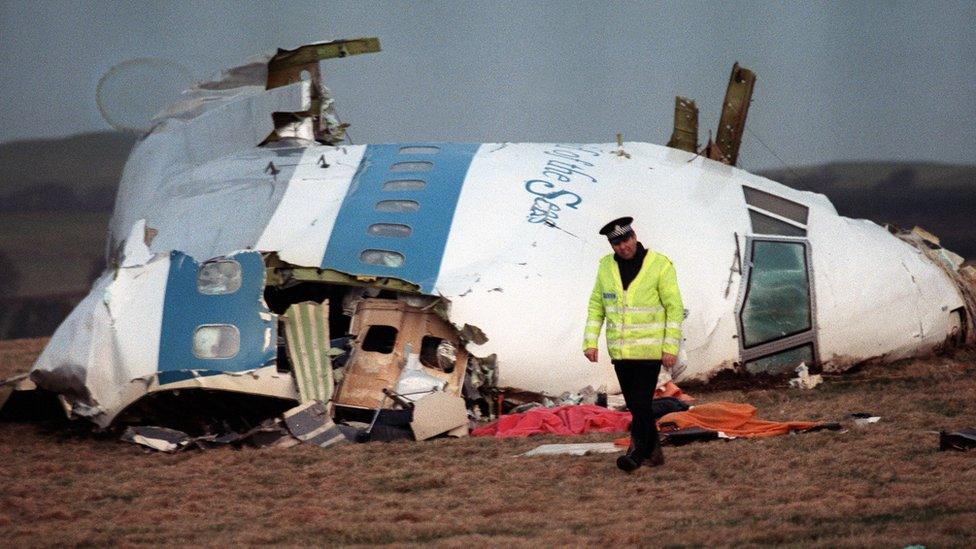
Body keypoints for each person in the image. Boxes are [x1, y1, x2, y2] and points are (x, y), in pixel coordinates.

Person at [583, 216, 683, 472]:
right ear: (611, 245)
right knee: (638, 406)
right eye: (616, 243)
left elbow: (674, 308)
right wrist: (590, 341)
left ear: (634, 237)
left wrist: (670, 348)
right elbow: (597, 306)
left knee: (639, 406)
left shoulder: (659, 265)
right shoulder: (606, 267)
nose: (623, 247)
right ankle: (654, 453)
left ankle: (636, 454)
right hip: (621, 352)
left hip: (649, 352)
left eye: (626, 240)